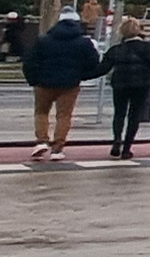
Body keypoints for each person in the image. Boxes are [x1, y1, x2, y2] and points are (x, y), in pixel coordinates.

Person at [20, 11, 101, 161]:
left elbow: (29, 62)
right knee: (64, 115)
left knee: (41, 112)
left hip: (44, 83)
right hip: (69, 84)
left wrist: (34, 80)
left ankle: (41, 141)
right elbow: (93, 64)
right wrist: (80, 76)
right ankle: (57, 149)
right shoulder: (83, 42)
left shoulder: (43, 40)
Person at [100, 20, 150, 159]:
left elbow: (103, 68)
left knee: (119, 113)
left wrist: (82, 74)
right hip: (141, 85)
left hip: (120, 84)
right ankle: (127, 148)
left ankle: (117, 139)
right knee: (134, 116)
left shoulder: (117, 49)